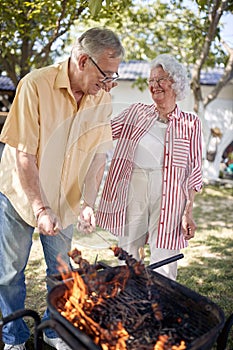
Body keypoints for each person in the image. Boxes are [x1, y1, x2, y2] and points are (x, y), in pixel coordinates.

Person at [0, 27, 124, 350]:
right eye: (106, 75)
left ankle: (54, 332)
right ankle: (14, 339)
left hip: (65, 200)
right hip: (21, 196)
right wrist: (40, 208)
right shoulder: (34, 86)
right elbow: (24, 155)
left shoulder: (103, 98)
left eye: (114, 76)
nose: (109, 83)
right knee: (10, 273)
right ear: (83, 60)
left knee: (62, 273)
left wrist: (87, 203)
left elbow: (97, 157)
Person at [96, 54, 202, 281]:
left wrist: (188, 212)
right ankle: (128, 299)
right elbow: (102, 131)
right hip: (134, 186)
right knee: (128, 251)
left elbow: (194, 171)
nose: (154, 86)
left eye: (161, 79)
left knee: (165, 257)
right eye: (151, 81)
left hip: (172, 195)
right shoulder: (136, 112)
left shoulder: (190, 123)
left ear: (175, 83)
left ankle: (163, 304)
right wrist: (100, 99)